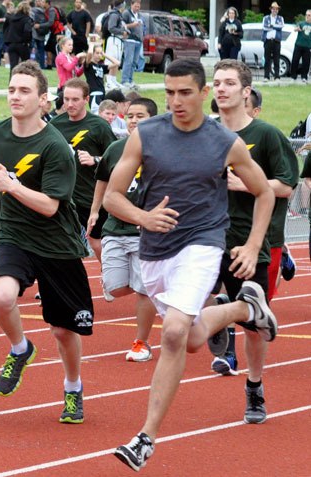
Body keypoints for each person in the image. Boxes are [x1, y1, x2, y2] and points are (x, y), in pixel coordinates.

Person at [106, 58, 276, 471]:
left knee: (175, 332)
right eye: (169, 92)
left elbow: (264, 193)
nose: (176, 101)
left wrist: (253, 246)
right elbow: (113, 196)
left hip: (203, 244)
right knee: (193, 339)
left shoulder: (225, 141)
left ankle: (146, 436)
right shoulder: (146, 135)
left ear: (203, 94)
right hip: (155, 250)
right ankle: (243, 308)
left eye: (185, 92)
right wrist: (143, 217)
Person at [0, 60, 95, 424]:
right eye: (11, 89)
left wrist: (12, 186)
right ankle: (21, 349)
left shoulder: (55, 146)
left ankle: (73, 387)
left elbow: (51, 207)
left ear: (43, 99)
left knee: (63, 331)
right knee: (1, 296)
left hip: (56, 244)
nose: (16, 96)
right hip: (14, 235)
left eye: (24, 91)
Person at [207, 61, 298, 393]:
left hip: (251, 239)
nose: (221, 88)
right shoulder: (205, 132)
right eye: (216, 82)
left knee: (255, 323)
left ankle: (254, 385)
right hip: (208, 236)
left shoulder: (267, 134)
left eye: (229, 83)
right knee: (183, 300)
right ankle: (217, 318)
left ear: (246, 92)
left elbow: (287, 186)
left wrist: (245, 184)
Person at [88, 97, 158, 360]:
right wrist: (95, 210)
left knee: (143, 289)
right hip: (115, 225)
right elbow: (102, 181)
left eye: (140, 116)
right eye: (130, 116)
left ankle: (141, 343)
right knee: (115, 287)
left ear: (153, 119)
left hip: (147, 230)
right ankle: (156, 287)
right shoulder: (116, 148)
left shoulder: (162, 150)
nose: (134, 121)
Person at [50, 78, 116, 264]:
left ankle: (109, 275)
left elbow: (116, 159)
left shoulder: (99, 126)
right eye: (66, 99)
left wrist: (95, 160)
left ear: (86, 99)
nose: (69, 104)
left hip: (91, 196)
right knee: (59, 241)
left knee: (95, 241)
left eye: (75, 99)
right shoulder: (55, 125)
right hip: (64, 196)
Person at [83, 44, 121, 114]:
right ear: (93, 53)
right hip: (94, 94)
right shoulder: (88, 65)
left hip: (102, 94)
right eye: (97, 53)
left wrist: (105, 55)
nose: (99, 55)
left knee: (104, 115)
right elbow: (90, 53)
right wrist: (92, 44)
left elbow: (117, 63)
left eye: (100, 53)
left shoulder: (101, 66)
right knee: (97, 115)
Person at [3, 1, 33, 70]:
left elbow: (5, 29)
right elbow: (27, 31)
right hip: (22, 44)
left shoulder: (12, 18)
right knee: (26, 66)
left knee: (13, 66)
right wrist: (27, 41)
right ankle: (24, 80)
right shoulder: (27, 19)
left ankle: (12, 80)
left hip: (12, 44)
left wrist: (7, 40)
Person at [121, 0, 144, 88]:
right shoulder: (126, 13)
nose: (137, 8)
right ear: (131, 5)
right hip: (130, 40)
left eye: (138, 6)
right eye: (136, 6)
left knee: (134, 62)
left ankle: (130, 80)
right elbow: (122, 25)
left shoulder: (140, 15)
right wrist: (132, 25)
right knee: (128, 61)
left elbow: (142, 26)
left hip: (138, 41)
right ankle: (125, 80)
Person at [104, 0, 128, 83]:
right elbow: (111, 28)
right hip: (113, 40)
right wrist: (122, 32)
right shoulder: (114, 14)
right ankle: (109, 80)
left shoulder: (119, 15)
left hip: (118, 40)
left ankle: (113, 79)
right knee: (112, 60)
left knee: (117, 60)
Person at [262, 2, 284, 81]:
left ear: (278, 10)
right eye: (273, 8)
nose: (275, 10)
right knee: (267, 59)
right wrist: (275, 27)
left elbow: (281, 26)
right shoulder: (266, 18)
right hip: (268, 40)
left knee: (276, 59)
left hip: (276, 41)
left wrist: (271, 26)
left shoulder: (280, 18)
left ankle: (277, 76)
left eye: (276, 9)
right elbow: (264, 28)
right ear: (271, 9)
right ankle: (266, 76)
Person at [291, 9, 311, 84]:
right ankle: (293, 77)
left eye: (309, 15)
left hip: (307, 46)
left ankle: (304, 77)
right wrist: (297, 29)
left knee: (306, 62)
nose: (307, 16)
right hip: (298, 45)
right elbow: (295, 28)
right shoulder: (301, 23)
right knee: (295, 60)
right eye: (306, 15)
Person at [31, 0, 52, 70]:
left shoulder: (32, 10)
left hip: (35, 33)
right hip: (41, 33)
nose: (38, 2)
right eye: (37, 1)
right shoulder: (45, 11)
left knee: (34, 49)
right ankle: (41, 66)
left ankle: (36, 66)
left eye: (39, 1)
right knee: (41, 51)